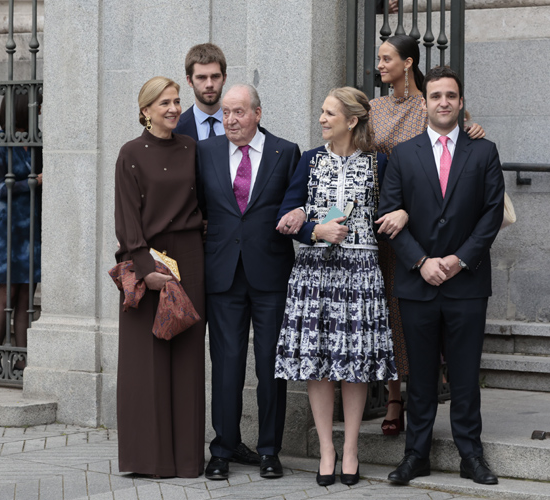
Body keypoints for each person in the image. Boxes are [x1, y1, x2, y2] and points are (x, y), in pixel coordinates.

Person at [379, 66, 504, 486]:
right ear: (425, 103)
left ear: (461, 101)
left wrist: (458, 259)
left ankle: (472, 455)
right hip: (418, 283)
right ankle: (417, 454)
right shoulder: (404, 154)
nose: (444, 102)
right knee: (421, 377)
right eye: (436, 96)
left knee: (466, 375)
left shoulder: (483, 152)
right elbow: (390, 214)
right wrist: (421, 262)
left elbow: (491, 215)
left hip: (467, 282)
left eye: (451, 95)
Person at [275, 87, 396, 487]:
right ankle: (326, 449)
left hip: (360, 272)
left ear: (352, 119)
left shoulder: (378, 163)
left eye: (329, 113)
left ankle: (350, 450)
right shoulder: (309, 160)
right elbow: (287, 210)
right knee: (319, 364)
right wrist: (313, 228)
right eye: (322, 112)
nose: (322, 119)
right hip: (314, 273)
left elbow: (395, 208)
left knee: (355, 364)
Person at [370, 34, 485, 435]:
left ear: (408, 62)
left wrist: (472, 130)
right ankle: (394, 398)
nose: (380, 65)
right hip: (390, 229)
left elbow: (456, 139)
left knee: (414, 323)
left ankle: (446, 411)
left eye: (386, 58)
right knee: (391, 316)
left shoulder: (433, 107)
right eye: (378, 59)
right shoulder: (374, 108)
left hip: (428, 234)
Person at [197, 84, 301, 481]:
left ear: (258, 112)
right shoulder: (205, 153)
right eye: (225, 113)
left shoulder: (285, 152)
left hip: (271, 275)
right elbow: (203, 209)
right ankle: (222, 449)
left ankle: (270, 452)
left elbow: (297, 201)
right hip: (223, 277)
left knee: (271, 367)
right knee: (226, 367)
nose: (230, 120)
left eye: (239, 112)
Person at [114, 76, 206, 478]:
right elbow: (126, 217)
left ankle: (187, 460)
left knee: (187, 361)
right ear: (146, 109)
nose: (173, 109)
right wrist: (147, 269)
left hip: (189, 259)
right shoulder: (130, 153)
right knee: (145, 363)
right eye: (164, 103)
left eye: (176, 102)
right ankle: (148, 459)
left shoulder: (192, 149)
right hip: (145, 259)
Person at [0, 91, 43, 372]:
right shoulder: (0, 141)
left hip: (33, 226)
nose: (41, 111)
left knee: (26, 295)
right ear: (24, 109)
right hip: (9, 226)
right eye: (37, 106)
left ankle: (23, 358)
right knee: (7, 293)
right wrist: (34, 181)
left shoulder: (36, 141)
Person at [174, 43, 227, 141]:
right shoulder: (175, 129)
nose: (209, 84)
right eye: (201, 77)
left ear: (224, 78)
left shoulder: (243, 124)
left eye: (215, 76)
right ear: (190, 81)